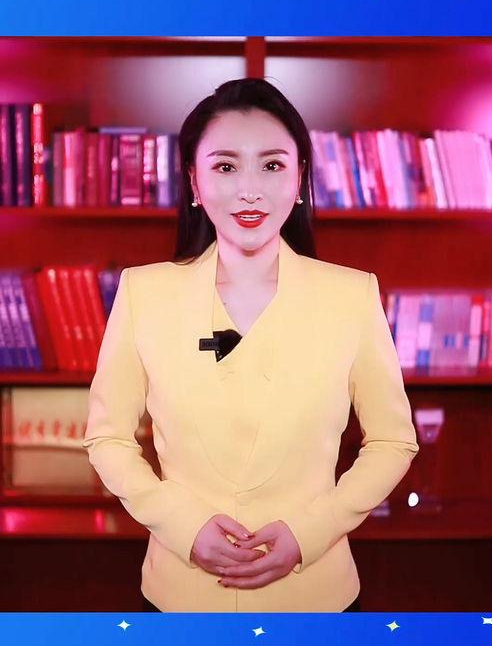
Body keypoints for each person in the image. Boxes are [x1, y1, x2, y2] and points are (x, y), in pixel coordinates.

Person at [82, 78, 419, 613]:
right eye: (225, 166)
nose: (249, 191)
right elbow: (108, 438)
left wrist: (310, 532)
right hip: (179, 596)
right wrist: (181, 525)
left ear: (299, 177)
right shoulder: (144, 292)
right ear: (193, 181)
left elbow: (392, 441)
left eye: (272, 165)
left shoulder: (352, 295)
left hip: (316, 598)